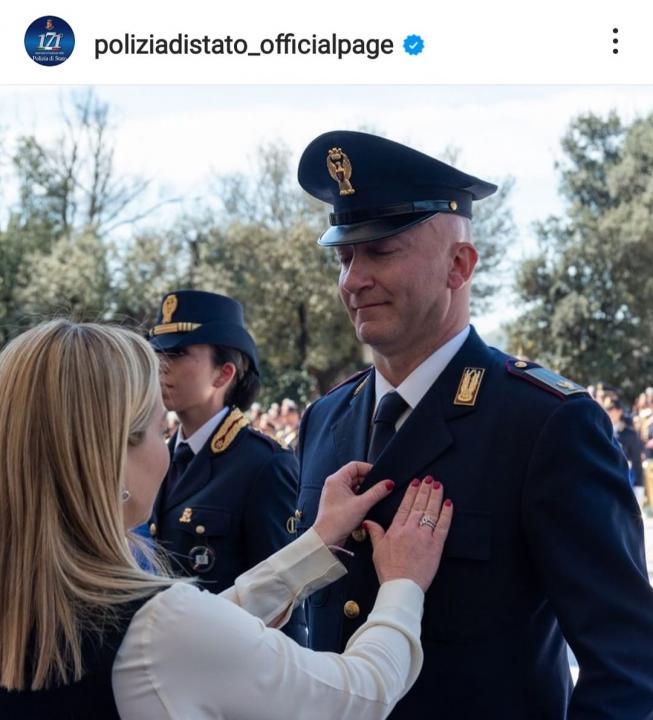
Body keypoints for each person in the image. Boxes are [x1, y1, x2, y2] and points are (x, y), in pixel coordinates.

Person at [295, 130, 653, 719]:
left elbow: (628, 663)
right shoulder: (325, 420)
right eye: (343, 256)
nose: (353, 280)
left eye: (380, 252)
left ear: (458, 265)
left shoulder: (544, 423)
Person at [0, 319, 453, 719]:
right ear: (112, 457)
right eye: (161, 430)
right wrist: (402, 586)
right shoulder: (163, 631)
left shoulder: (28, 595)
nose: (167, 448)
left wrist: (315, 546)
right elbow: (357, 695)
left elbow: (202, 628)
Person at [147, 290, 306, 642]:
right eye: (158, 352)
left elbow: (282, 598)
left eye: (177, 353)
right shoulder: (159, 456)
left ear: (224, 374)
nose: (161, 364)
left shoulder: (263, 465)